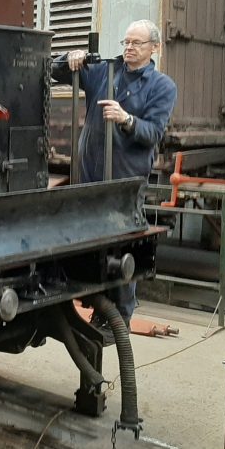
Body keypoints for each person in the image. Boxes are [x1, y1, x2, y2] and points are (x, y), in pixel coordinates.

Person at [53, 18, 178, 325]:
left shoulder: (162, 87)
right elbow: (54, 71)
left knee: (121, 246)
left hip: (125, 181)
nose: (129, 49)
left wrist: (126, 119)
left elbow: (153, 134)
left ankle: (120, 315)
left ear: (155, 48)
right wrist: (69, 57)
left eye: (136, 43)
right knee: (90, 242)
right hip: (91, 175)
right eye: (126, 42)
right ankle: (97, 306)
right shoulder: (104, 72)